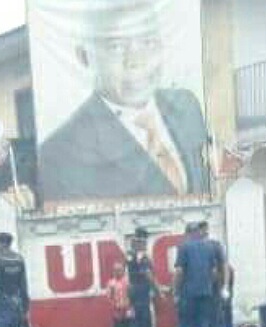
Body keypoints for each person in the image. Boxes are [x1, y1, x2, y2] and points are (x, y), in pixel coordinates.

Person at [38, 5, 210, 202]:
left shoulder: (186, 106)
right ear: (85, 56)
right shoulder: (60, 155)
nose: (136, 61)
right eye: (116, 47)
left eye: (148, 42)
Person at [173, 221, 225, 327]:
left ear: (188, 233)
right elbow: (214, 272)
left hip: (188, 293)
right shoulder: (209, 248)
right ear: (198, 232)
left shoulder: (184, 247)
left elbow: (179, 272)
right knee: (201, 325)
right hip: (205, 293)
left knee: (185, 325)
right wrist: (208, 285)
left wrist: (176, 291)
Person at [126, 227, 166, 327]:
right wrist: (158, 290)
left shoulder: (134, 254)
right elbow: (147, 275)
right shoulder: (138, 255)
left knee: (147, 322)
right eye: (143, 240)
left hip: (140, 291)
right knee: (137, 322)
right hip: (139, 291)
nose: (145, 243)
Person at [107, 262, 133, 327]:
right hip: (117, 311)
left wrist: (130, 307)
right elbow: (109, 297)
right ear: (113, 272)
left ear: (123, 271)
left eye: (120, 270)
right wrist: (114, 307)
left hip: (127, 309)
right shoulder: (111, 283)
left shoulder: (127, 282)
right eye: (116, 270)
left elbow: (131, 295)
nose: (118, 272)